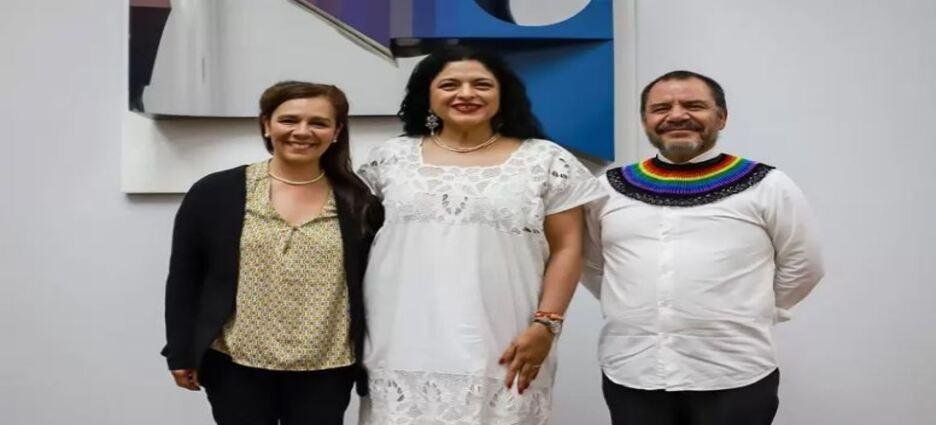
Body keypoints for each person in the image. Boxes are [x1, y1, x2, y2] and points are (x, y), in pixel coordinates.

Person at [356, 45, 605, 425]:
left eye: (482, 84)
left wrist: (547, 324)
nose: (466, 94)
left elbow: (568, 248)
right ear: (427, 95)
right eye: (450, 85)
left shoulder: (545, 160)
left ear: (503, 94)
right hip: (401, 338)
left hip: (505, 339)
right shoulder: (390, 158)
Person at [583, 70, 825, 425]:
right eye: (661, 108)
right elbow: (592, 265)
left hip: (734, 371)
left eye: (694, 105)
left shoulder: (768, 185)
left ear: (721, 117)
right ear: (645, 121)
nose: (677, 115)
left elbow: (804, 265)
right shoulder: (607, 188)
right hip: (633, 370)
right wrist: (636, 306)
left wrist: (749, 309)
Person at [161, 81, 382, 425]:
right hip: (235, 364)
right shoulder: (215, 192)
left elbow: (376, 285)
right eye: (289, 120)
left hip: (327, 367)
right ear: (266, 124)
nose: (302, 132)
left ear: (337, 132)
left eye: (318, 123)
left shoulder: (359, 201)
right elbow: (185, 279)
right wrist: (180, 351)